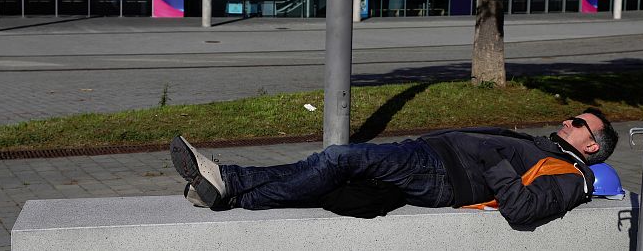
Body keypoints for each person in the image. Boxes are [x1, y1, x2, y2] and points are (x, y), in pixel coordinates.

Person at [170, 107, 619, 226]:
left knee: (339, 157)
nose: (568, 120)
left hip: (444, 174)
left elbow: (521, 209)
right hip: (432, 155)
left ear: (592, 145)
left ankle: (228, 180)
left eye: (579, 122)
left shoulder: (574, 176)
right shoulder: (542, 145)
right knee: (328, 168)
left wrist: (492, 156)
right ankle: (226, 189)